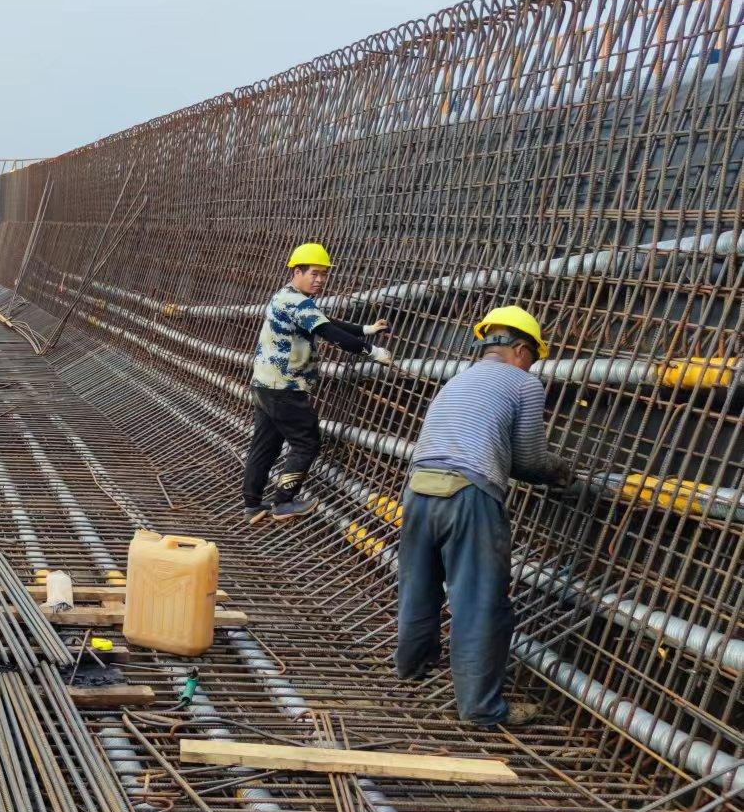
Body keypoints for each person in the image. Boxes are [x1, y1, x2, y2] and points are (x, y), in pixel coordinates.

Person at [395, 306, 574, 728]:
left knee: (419, 584)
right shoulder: (524, 383)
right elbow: (528, 458)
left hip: (418, 488)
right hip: (469, 494)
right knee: (480, 601)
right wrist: (561, 471)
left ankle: (411, 665)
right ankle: (480, 708)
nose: (532, 365)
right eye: (532, 357)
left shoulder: (458, 378)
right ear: (519, 350)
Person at [243, 242, 392, 523]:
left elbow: (326, 321)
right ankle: (283, 502)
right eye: (314, 273)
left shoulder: (285, 297)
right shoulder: (297, 302)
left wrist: (366, 329)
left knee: (265, 445)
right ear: (296, 271)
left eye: (324, 274)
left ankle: (252, 504)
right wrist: (372, 351)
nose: (320, 279)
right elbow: (328, 332)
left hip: (265, 385)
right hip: (285, 388)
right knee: (306, 441)